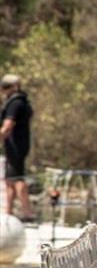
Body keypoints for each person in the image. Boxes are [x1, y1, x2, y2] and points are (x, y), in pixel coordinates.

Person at [1, 74, 35, 221]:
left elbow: (8, 126)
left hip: (16, 146)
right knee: (10, 180)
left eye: (7, 87)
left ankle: (27, 214)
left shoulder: (15, 103)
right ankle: (8, 213)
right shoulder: (21, 102)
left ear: (15, 87)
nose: (4, 90)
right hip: (15, 145)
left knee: (17, 178)